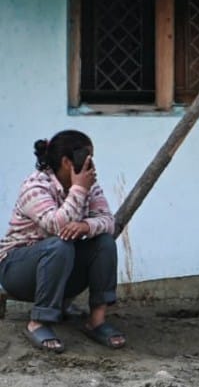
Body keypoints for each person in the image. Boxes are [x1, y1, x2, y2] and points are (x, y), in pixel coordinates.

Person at [0, 130, 125, 352]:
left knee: (104, 242)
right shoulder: (35, 186)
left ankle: (96, 321)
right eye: (87, 158)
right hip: (17, 270)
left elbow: (108, 221)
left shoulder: (90, 185)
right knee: (60, 245)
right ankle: (38, 322)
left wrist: (86, 226)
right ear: (67, 162)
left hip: (60, 268)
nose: (91, 165)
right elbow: (56, 226)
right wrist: (79, 189)